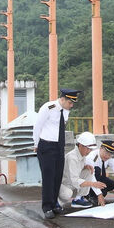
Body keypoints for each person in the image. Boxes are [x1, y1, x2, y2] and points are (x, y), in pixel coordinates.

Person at [33, 88, 81, 220]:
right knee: (48, 178)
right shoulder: (48, 108)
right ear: (63, 99)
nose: (71, 106)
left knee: (57, 177)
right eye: (70, 103)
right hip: (46, 146)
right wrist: (36, 144)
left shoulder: (65, 111)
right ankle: (47, 207)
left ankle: (54, 204)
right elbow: (37, 126)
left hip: (59, 146)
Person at [59, 131, 107, 209]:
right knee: (67, 193)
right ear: (80, 145)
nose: (89, 151)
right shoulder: (72, 157)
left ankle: (78, 199)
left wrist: (85, 167)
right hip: (63, 185)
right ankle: (57, 203)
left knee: (89, 171)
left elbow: (77, 171)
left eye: (90, 149)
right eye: (88, 149)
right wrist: (93, 184)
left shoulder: (82, 154)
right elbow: (75, 180)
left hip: (71, 183)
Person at [85, 140, 114, 206]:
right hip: (87, 181)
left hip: (96, 179)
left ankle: (96, 196)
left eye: (110, 154)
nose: (107, 156)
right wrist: (99, 194)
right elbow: (91, 177)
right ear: (101, 149)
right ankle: (89, 195)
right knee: (97, 170)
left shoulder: (108, 157)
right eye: (106, 153)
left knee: (111, 184)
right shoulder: (93, 157)